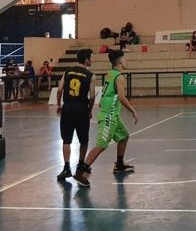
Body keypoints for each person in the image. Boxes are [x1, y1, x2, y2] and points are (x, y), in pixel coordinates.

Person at [74, 50, 138, 187]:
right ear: (120, 61)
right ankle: (81, 171)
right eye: (125, 59)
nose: (126, 61)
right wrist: (133, 110)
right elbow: (121, 97)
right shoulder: (119, 77)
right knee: (102, 144)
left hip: (111, 113)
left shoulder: (110, 73)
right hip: (109, 115)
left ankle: (119, 164)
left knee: (123, 136)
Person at [56, 49, 95, 181]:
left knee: (66, 139)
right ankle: (80, 165)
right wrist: (89, 110)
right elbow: (92, 96)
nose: (92, 60)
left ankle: (66, 168)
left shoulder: (67, 72)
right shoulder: (90, 75)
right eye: (90, 58)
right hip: (81, 109)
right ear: (86, 60)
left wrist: (58, 104)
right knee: (83, 140)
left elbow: (59, 89)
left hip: (67, 107)